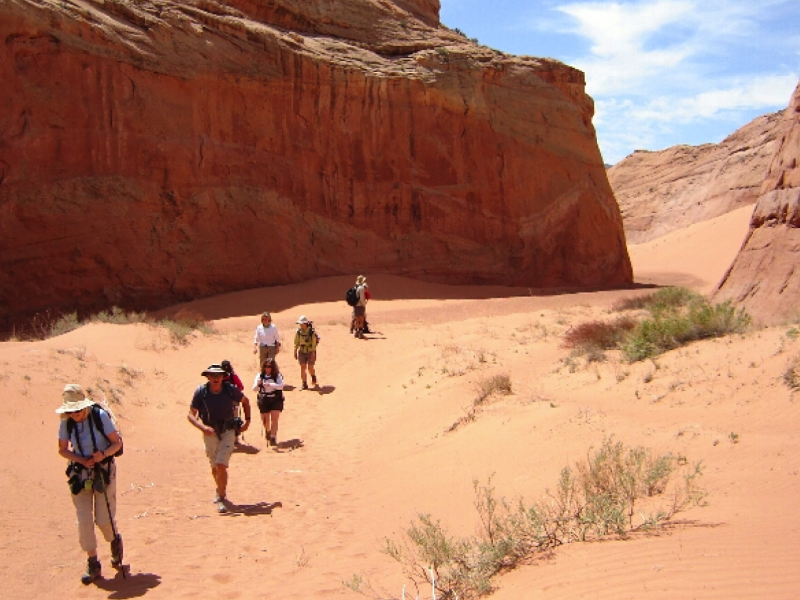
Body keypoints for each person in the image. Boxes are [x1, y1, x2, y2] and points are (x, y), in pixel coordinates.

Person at [57, 384, 123, 584]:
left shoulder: (99, 416)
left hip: (103, 472)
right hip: (80, 475)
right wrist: (79, 459)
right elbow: (62, 449)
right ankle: (93, 562)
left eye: (78, 410)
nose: (76, 415)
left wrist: (102, 454)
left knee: (104, 519)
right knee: (84, 521)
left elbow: (117, 443)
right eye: (71, 411)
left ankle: (114, 541)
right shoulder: (66, 422)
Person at [188, 364, 252, 514]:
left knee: (221, 464)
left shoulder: (230, 390)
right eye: (213, 376)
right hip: (210, 431)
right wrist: (202, 428)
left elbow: (246, 401)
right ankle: (219, 489)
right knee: (214, 467)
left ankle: (222, 497)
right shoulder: (201, 392)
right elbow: (191, 414)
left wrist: (247, 421)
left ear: (223, 377)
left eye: (219, 376)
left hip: (228, 431)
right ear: (208, 377)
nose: (216, 379)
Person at [253, 358, 285, 447]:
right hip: (264, 399)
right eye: (266, 366)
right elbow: (254, 389)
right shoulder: (260, 376)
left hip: (276, 399)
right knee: (264, 419)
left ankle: (273, 437)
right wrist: (258, 385)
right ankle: (268, 430)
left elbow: (281, 386)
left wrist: (270, 385)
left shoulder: (277, 376)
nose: (267, 368)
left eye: (269, 366)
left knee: (274, 419)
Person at [221, 359, 245, 445]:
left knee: (231, 419)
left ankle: (233, 439)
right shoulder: (233, 376)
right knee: (234, 419)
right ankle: (235, 439)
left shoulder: (221, 376)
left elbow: (241, 387)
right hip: (231, 401)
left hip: (225, 401)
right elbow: (241, 387)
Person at [293, 315, 318, 390]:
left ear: (305, 323)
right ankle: (304, 384)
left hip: (310, 351)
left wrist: (313, 353)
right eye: (300, 324)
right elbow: (296, 342)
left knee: (310, 368)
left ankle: (313, 376)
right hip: (302, 351)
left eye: (302, 323)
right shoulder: (298, 332)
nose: (301, 325)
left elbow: (313, 343)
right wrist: (295, 350)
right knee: (303, 367)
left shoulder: (311, 332)